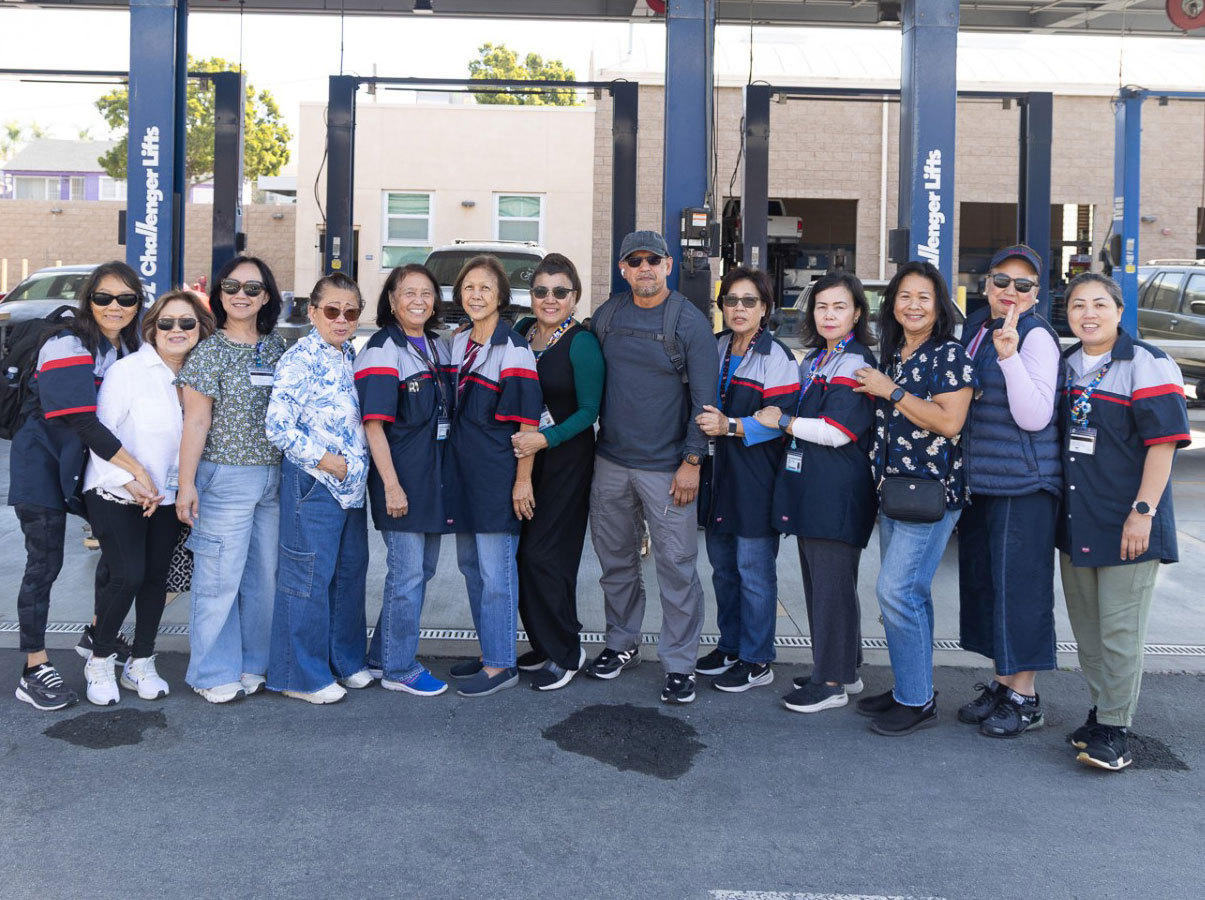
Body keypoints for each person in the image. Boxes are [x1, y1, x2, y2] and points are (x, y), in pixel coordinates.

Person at [10, 260, 158, 711]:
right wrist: (135, 472)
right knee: (44, 564)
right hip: (43, 467)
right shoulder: (67, 342)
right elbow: (79, 418)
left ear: (138, 304)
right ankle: (34, 667)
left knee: (117, 556)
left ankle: (98, 634)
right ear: (88, 300)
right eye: (104, 297)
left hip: (87, 467)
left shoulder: (128, 349)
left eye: (126, 298)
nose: (115, 306)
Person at [1058, 273, 1190, 771]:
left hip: (1127, 520)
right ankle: (1100, 711)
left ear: (1118, 310)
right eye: (1076, 305)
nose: (1087, 314)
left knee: (1119, 630)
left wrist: (1142, 514)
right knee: (1088, 629)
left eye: (1098, 304)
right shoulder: (1068, 364)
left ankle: (1116, 728)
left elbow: (1164, 444)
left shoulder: (1148, 363)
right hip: (1078, 518)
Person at [584, 230, 720, 705]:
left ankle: (680, 664)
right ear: (623, 269)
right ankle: (622, 644)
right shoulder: (609, 315)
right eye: (634, 260)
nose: (644, 267)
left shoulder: (689, 322)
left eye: (653, 259)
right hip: (611, 463)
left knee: (677, 568)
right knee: (615, 563)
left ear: (668, 265)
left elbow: (706, 401)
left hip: (669, 469)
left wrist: (691, 462)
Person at [851, 260, 974, 736]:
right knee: (910, 596)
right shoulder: (894, 352)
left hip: (931, 491)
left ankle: (917, 700)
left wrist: (892, 390)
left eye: (923, 297)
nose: (913, 305)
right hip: (894, 491)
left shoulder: (950, 355)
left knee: (896, 592)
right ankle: (912, 687)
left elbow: (949, 423)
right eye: (904, 296)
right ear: (892, 304)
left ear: (939, 304)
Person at [80, 289, 214, 705]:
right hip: (115, 490)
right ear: (152, 328)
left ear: (200, 330)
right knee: (129, 575)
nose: (177, 330)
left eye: (187, 323)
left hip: (169, 497)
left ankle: (141, 662)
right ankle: (100, 660)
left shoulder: (201, 375)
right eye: (167, 323)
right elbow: (102, 434)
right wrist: (129, 481)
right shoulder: (129, 371)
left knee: (157, 580)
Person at [755, 271, 877, 713]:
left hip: (838, 489)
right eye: (822, 306)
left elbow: (839, 431)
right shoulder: (819, 360)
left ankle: (830, 682)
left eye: (839, 306)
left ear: (857, 313)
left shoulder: (856, 363)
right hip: (818, 488)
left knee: (830, 588)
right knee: (830, 585)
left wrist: (782, 421)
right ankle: (846, 668)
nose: (829, 315)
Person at [955, 245, 1063, 738]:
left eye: (1023, 286)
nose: (1010, 293)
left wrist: (1010, 355)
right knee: (991, 588)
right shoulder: (975, 328)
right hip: (984, 481)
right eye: (1002, 281)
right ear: (986, 285)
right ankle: (1002, 683)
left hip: (1025, 485)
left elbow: (1034, 416)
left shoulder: (1037, 337)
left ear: (1036, 294)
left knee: (1021, 592)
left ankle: (1027, 695)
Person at [175, 255, 286, 704]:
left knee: (265, 579)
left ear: (267, 297)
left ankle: (252, 663)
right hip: (224, 479)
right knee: (219, 579)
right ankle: (212, 670)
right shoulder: (208, 351)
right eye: (231, 287)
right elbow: (195, 423)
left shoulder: (277, 349)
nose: (241, 295)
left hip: (275, 479)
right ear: (219, 295)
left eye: (252, 288)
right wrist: (186, 484)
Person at [265, 273, 371, 705]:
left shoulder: (348, 355)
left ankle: (344, 662)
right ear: (313, 313)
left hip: (350, 489)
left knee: (347, 576)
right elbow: (277, 425)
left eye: (351, 311)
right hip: (315, 483)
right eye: (332, 310)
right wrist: (325, 461)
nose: (342, 319)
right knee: (306, 579)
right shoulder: (299, 360)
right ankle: (299, 675)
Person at [693, 266, 799, 693]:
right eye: (731, 300)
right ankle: (731, 645)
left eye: (749, 301)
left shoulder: (778, 357)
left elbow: (777, 422)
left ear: (765, 308)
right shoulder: (714, 347)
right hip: (718, 477)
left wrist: (731, 427)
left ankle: (757, 659)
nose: (739, 308)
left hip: (757, 477)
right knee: (723, 570)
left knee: (754, 572)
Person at [444, 255, 543, 697]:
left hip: (498, 474)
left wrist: (523, 481)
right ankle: (489, 652)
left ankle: (502, 664)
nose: (477, 295)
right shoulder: (457, 342)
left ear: (501, 296)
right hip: (462, 473)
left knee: (496, 571)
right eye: (469, 288)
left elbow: (527, 423)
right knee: (470, 568)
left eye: (486, 288)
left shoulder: (515, 348)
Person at [355, 263, 454, 697]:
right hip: (402, 481)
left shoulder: (438, 346)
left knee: (420, 571)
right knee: (407, 575)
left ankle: (380, 657)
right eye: (408, 293)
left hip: (433, 478)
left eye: (426, 293)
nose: (418, 300)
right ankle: (400, 668)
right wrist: (391, 486)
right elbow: (373, 426)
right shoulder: (381, 349)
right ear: (392, 301)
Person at [510, 253, 604, 691]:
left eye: (560, 292)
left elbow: (590, 411)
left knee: (548, 556)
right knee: (523, 554)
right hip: (525, 459)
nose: (550, 299)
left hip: (565, 459)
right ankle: (544, 643)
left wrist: (546, 439)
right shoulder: (522, 333)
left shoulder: (581, 343)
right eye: (542, 291)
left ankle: (567, 650)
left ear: (575, 297)